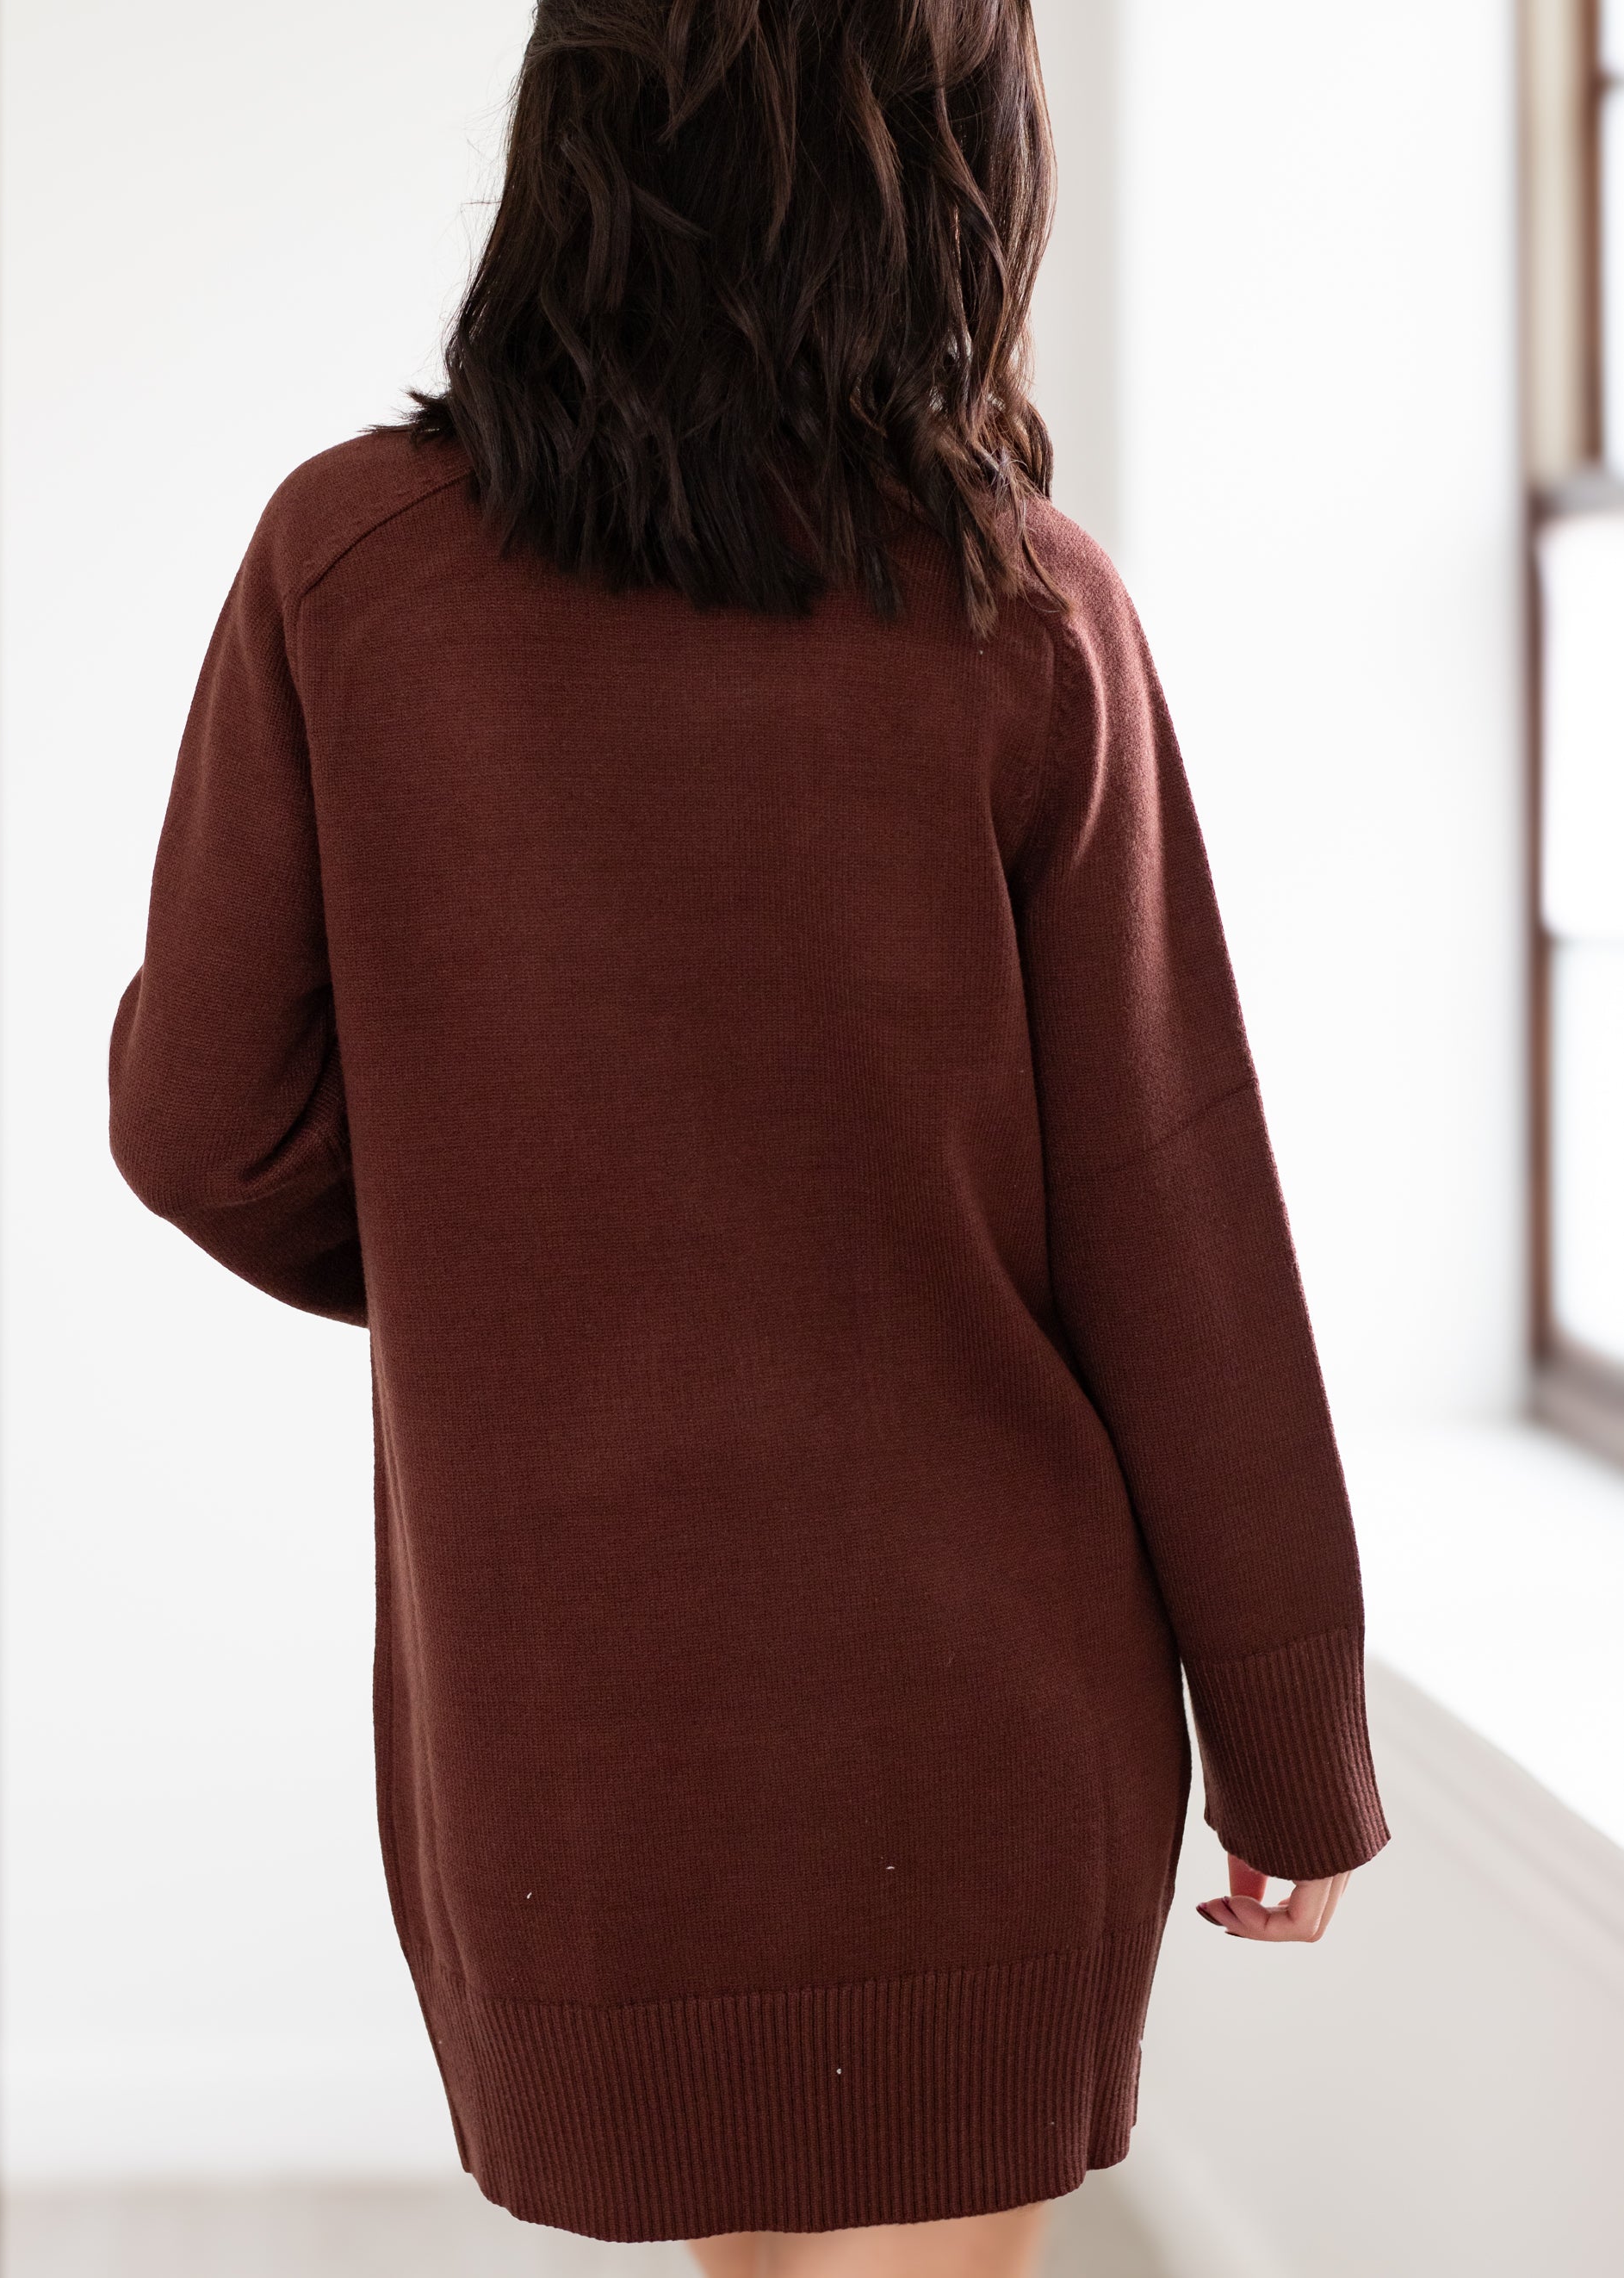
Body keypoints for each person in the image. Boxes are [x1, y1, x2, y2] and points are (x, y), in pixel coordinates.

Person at [107, 3, 1390, 2274]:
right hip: (972, 1721)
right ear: (955, 168)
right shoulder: (1025, 612)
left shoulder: (349, 567)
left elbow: (203, 1127)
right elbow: (1173, 1211)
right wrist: (1290, 1737)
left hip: (575, 1744)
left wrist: (528, 1234)